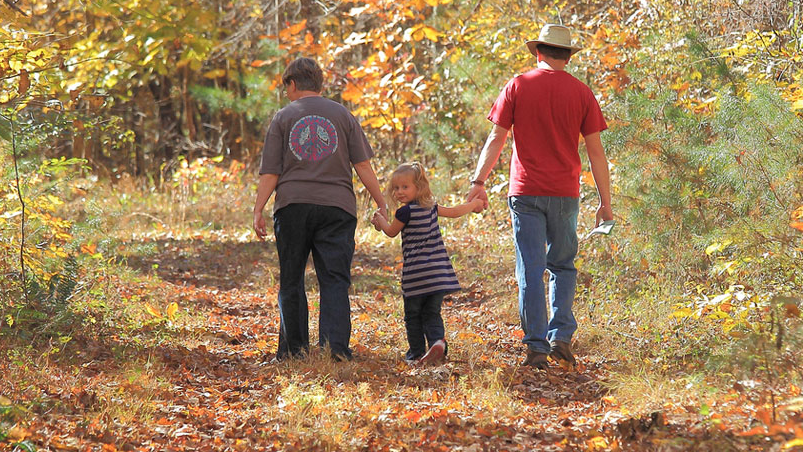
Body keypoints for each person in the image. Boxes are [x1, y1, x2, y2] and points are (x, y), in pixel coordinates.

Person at [466, 24, 613, 370]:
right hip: (565, 193)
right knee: (562, 265)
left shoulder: (518, 85)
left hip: (526, 191)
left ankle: (535, 347)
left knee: (531, 269)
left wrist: (479, 181)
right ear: (567, 55)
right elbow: (596, 153)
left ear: (539, 52)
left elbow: (496, 139)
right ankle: (560, 337)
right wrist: (605, 202)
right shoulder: (582, 93)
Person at [253, 57, 387, 361]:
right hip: (337, 208)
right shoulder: (343, 115)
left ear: (292, 84)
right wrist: (381, 201)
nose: (285, 93)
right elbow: (362, 165)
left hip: (292, 207)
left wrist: (258, 209)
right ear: (320, 84)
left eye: (285, 87)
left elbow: (271, 172)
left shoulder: (283, 117)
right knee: (335, 280)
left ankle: (293, 352)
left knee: (291, 278)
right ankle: (335, 350)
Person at [371, 162, 485, 365]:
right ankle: (437, 343)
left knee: (413, 315)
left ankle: (415, 354)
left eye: (405, 187)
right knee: (432, 312)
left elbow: (390, 231)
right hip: (438, 275)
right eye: (396, 188)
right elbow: (455, 211)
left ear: (419, 187)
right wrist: (474, 205)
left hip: (416, 276)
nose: (399, 192)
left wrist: (379, 220)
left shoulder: (404, 213)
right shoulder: (431, 208)